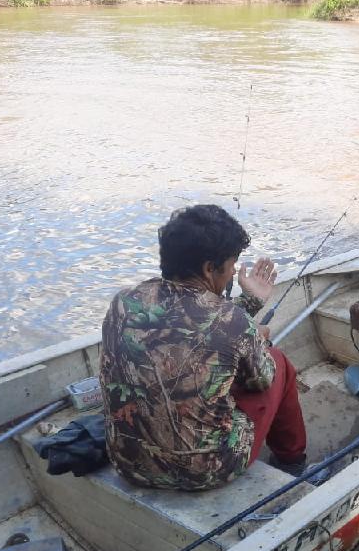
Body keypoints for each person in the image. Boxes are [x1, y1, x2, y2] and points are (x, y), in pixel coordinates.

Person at [99, 203, 308, 491]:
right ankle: (293, 462)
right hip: (206, 471)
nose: (233, 273)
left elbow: (195, 329)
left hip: (128, 464)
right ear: (209, 268)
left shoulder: (124, 302)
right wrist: (259, 339)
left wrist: (249, 306)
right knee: (278, 361)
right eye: (233, 265)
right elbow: (261, 379)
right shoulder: (231, 321)